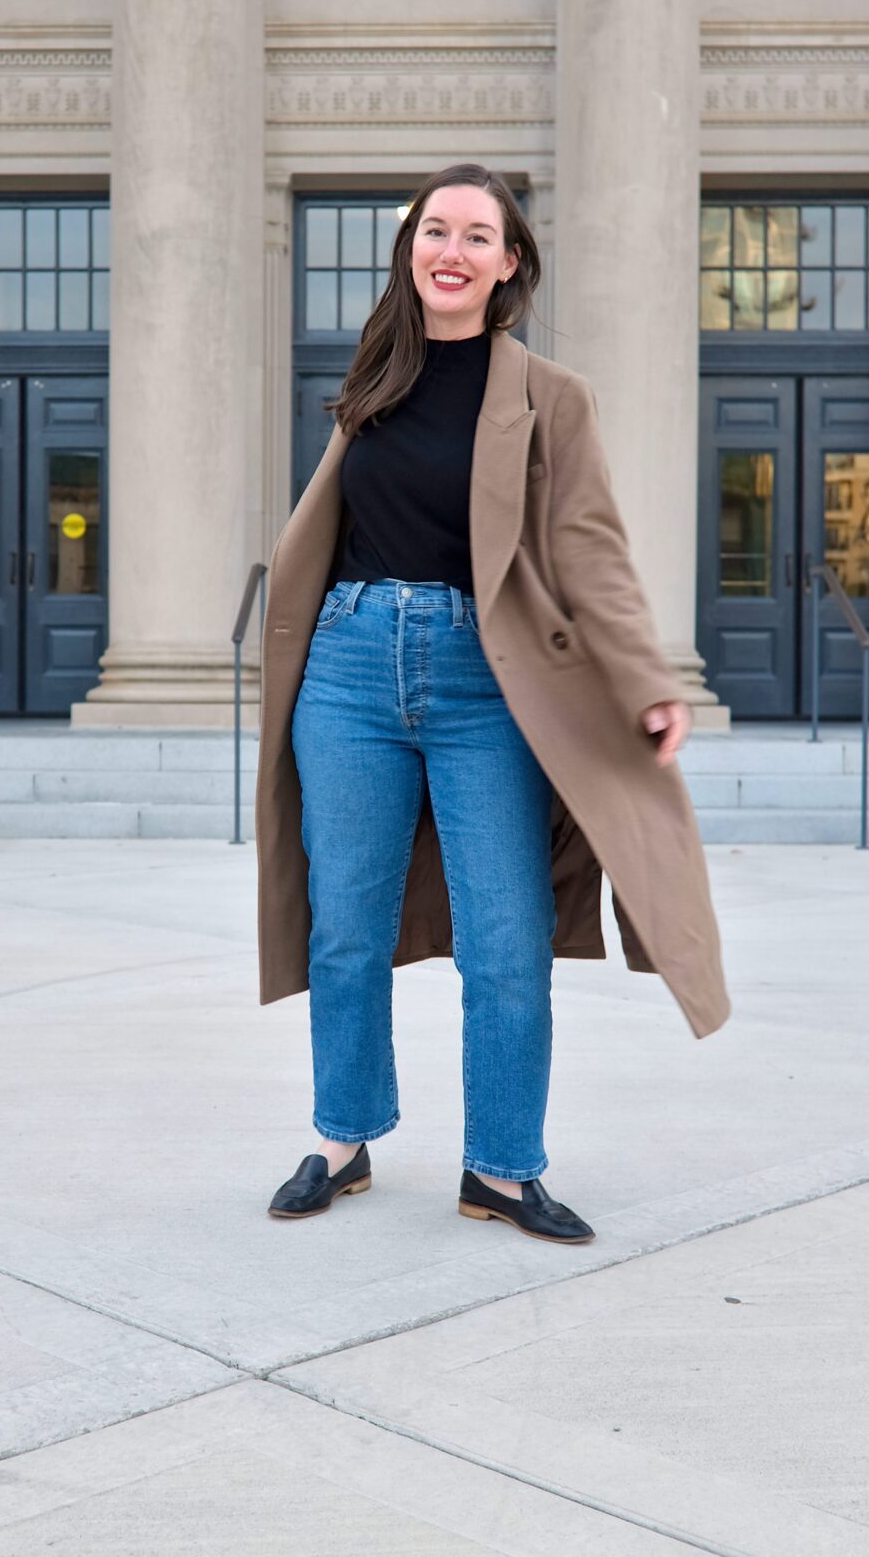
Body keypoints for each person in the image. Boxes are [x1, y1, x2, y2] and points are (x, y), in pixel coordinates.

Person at [256, 163, 729, 1243]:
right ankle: (342, 1134)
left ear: (508, 263)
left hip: (486, 678)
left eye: (476, 234)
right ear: (410, 250)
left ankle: (502, 1167)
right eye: (435, 230)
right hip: (348, 665)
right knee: (345, 926)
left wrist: (644, 678)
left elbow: (588, 548)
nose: (451, 250)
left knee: (505, 935)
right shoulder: (371, 378)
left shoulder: (549, 395)